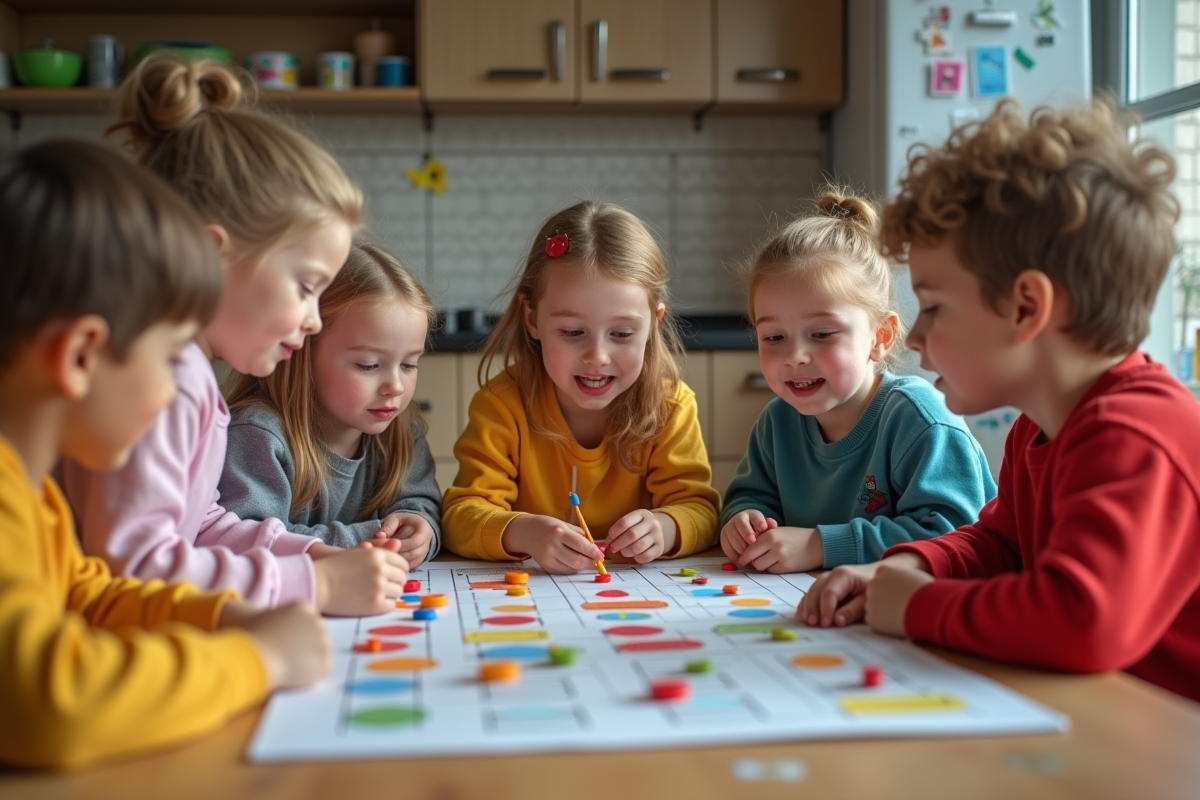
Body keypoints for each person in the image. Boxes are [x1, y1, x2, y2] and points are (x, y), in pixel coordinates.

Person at [797, 100, 1200, 704]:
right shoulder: (1037, 429)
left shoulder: (1135, 431)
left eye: (933, 305)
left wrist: (919, 608)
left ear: (1025, 308)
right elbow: (1000, 544)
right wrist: (909, 568)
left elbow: (1081, 618)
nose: (914, 336)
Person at [0, 140, 329, 769]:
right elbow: (54, 705)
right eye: (170, 353)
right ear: (81, 358)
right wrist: (256, 660)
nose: (180, 384)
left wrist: (230, 618)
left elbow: (90, 596)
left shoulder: (30, 491)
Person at [59, 55, 409, 615]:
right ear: (211, 254)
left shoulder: (185, 369)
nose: (315, 319)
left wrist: (312, 554)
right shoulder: (158, 382)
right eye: (306, 286)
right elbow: (137, 567)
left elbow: (200, 524)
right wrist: (311, 586)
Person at [720, 188, 995, 573]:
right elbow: (751, 496)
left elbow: (954, 535)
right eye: (774, 338)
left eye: (822, 334)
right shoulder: (776, 421)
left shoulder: (920, 421)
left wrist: (821, 545)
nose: (795, 356)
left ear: (880, 337)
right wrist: (743, 520)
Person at [443, 201, 720, 572]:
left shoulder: (671, 405)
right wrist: (523, 532)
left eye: (622, 334)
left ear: (653, 325)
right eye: (572, 332)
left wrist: (665, 528)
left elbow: (700, 509)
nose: (597, 356)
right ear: (532, 320)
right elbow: (461, 517)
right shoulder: (502, 406)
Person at [219, 243, 442, 566]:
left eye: (409, 365)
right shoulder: (257, 436)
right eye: (368, 365)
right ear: (301, 353)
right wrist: (368, 540)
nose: (395, 386)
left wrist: (419, 530)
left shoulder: (402, 432)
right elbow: (248, 540)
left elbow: (421, 503)